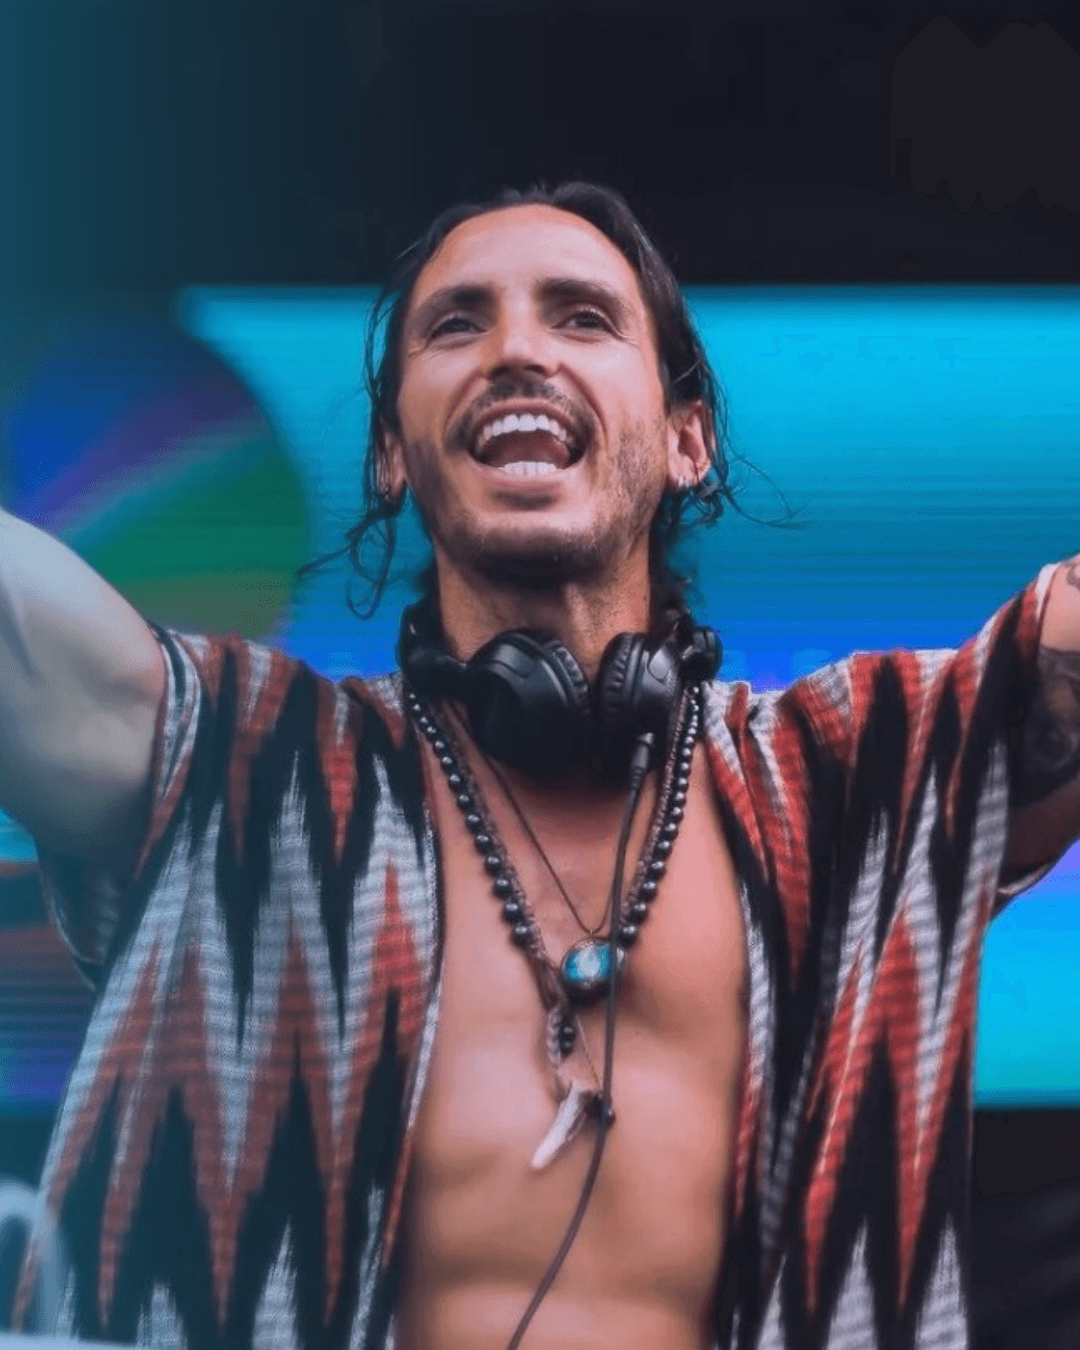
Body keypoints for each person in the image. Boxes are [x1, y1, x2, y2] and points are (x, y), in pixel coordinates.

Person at [3, 181, 1079, 1350]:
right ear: (390, 454)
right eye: (457, 324)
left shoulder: (859, 777)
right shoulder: (243, 765)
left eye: (583, 317)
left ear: (688, 439)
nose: (516, 350)